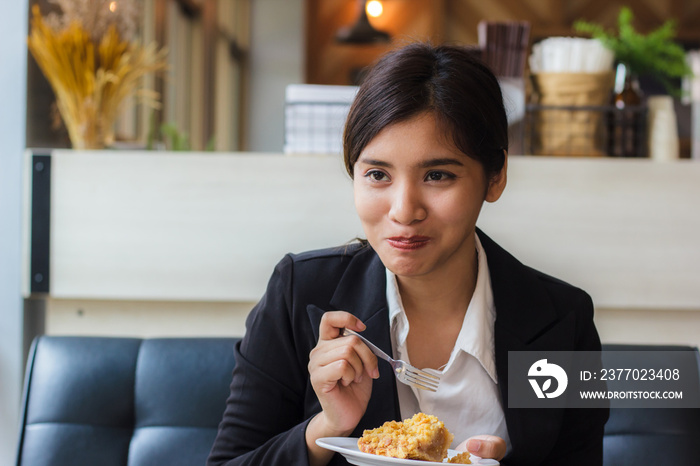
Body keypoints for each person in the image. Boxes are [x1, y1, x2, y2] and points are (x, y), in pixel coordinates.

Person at [207, 42, 609, 466]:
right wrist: (326, 428)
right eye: (378, 174)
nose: (404, 210)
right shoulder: (300, 294)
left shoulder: (561, 320)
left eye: (437, 175)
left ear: (495, 177)